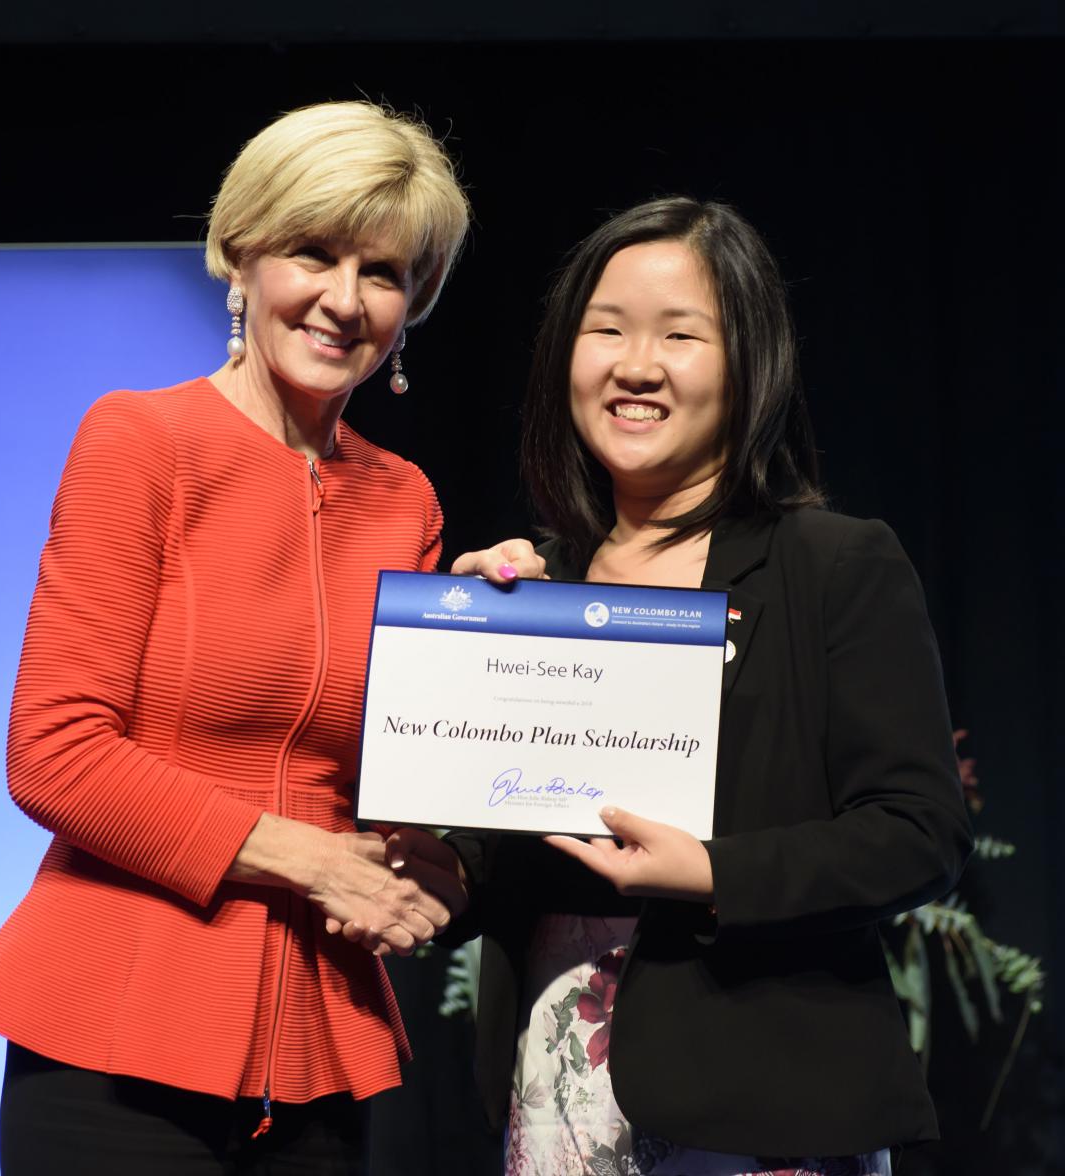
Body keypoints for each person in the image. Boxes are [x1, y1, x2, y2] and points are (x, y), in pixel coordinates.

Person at [0, 100, 537, 1176]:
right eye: (313, 253)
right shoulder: (140, 440)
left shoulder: (407, 503)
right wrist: (312, 863)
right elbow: (55, 753)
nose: (343, 300)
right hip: (114, 1034)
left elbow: (388, 784)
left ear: (417, 306)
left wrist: (494, 651)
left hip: (314, 1045)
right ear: (240, 256)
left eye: (385, 272)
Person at [392, 196, 974, 1175]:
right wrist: (463, 678)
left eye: (680, 335)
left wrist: (709, 873)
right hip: (561, 1086)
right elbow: (500, 849)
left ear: (747, 363)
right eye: (606, 330)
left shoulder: (832, 566)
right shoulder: (534, 583)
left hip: (766, 1102)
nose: (636, 366)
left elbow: (921, 833)